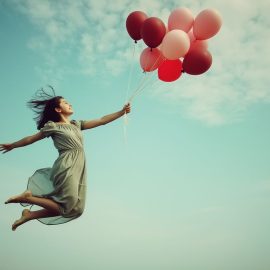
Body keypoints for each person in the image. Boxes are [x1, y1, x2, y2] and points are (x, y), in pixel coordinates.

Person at [0, 88, 131, 231]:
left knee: (76, 209)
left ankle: (29, 215)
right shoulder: (53, 127)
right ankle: (28, 198)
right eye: (65, 103)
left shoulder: (76, 125)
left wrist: (121, 112)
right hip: (66, 164)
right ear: (57, 109)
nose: (70, 104)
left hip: (79, 166)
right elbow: (31, 139)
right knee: (68, 206)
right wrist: (13, 145)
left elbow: (101, 120)